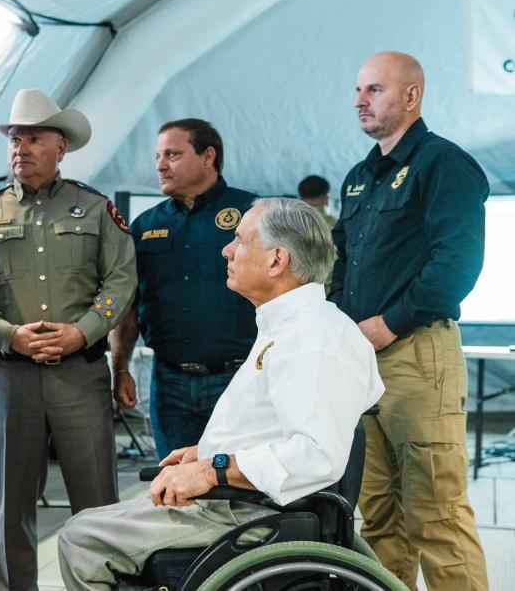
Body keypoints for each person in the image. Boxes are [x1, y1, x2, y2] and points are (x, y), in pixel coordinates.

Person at [57, 198, 385, 590]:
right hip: (251, 504)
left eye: (240, 240)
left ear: (276, 260)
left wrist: (212, 469)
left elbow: (315, 455)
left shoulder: (311, 339)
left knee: (82, 538)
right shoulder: (296, 325)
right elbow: (280, 425)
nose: (227, 250)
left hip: (251, 516)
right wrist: (205, 452)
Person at [0, 88, 137, 590]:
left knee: (97, 504)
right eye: (15, 139)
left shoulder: (96, 209)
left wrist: (83, 331)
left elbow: (121, 281)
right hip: (12, 378)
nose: (21, 148)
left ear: (62, 147)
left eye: (34, 138)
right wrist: (9, 336)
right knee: (11, 509)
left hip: (80, 376)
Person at [331, 51, 489, 589]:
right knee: (378, 519)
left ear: (411, 96)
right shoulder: (359, 177)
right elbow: (340, 262)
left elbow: (456, 265)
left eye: (373, 89)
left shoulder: (442, 164)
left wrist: (387, 324)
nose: (359, 101)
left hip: (416, 354)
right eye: (358, 90)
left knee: (437, 517)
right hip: (362, 361)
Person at [110, 118, 257, 460]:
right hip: (170, 384)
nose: (161, 165)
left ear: (208, 156)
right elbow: (129, 307)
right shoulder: (146, 226)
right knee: (175, 488)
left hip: (238, 379)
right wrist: (120, 368)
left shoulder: (253, 214)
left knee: (239, 492)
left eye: (173, 155)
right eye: (158, 156)